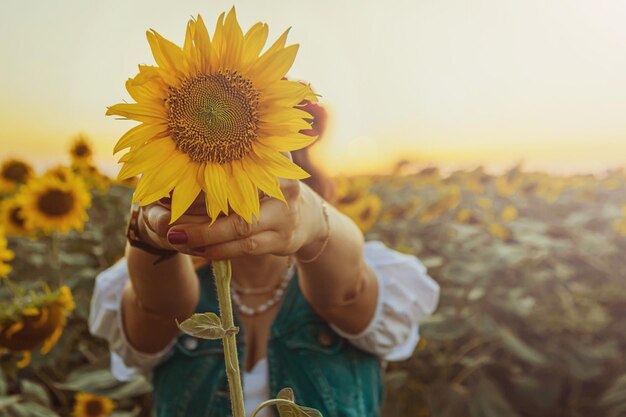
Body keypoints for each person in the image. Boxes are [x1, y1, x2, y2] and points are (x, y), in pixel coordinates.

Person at [89, 100, 440, 417]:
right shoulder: (179, 281)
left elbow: (347, 291)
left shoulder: (345, 270)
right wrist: (152, 229)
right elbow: (156, 308)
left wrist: (314, 222)